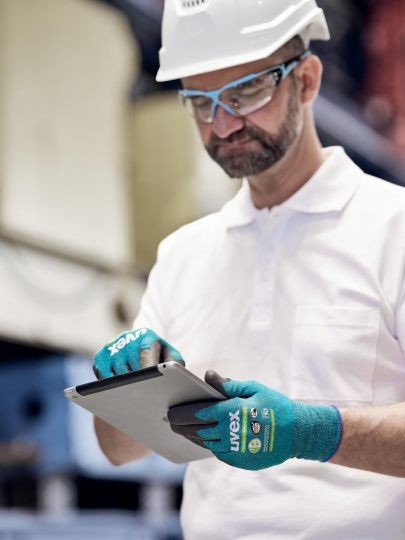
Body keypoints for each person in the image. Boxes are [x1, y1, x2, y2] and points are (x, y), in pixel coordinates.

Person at [93, 1, 405, 538]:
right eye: (200, 102)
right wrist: (122, 392)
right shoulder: (183, 254)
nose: (223, 123)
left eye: (245, 93)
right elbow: (118, 450)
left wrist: (313, 433)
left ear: (306, 80)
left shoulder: (393, 228)